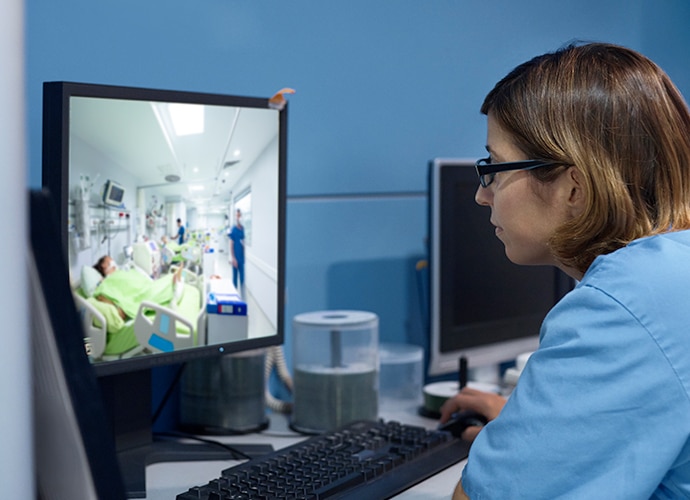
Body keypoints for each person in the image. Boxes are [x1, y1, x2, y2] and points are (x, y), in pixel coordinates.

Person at [440, 42, 690, 499]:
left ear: (573, 188)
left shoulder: (625, 304)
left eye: (493, 168)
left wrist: (516, 450)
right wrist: (534, 425)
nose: (482, 195)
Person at [228, 208, 245, 295]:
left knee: (242, 279)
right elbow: (231, 244)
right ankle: (234, 295)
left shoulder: (243, 229)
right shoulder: (233, 229)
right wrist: (233, 258)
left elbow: (244, 244)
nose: (238, 217)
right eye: (236, 216)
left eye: (239, 215)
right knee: (234, 279)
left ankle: (242, 297)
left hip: (242, 259)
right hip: (236, 258)